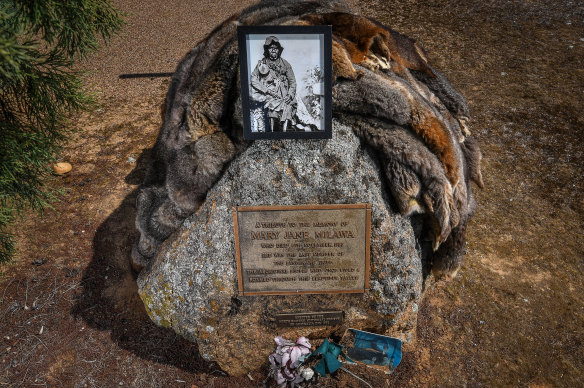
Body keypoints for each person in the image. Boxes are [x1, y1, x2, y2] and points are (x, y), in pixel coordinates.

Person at [250, 36, 297, 132]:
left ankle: (285, 133)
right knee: (271, 106)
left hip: (284, 93)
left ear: (279, 50)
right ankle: (271, 133)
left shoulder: (285, 64)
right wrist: (266, 90)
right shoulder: (262, 63)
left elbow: (292, 82)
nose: (274, 51)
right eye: (271, 48)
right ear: (267, 50)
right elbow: (253, 78)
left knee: (288, 105)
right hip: (268, 93)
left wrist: (290, 95)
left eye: (276, 48)